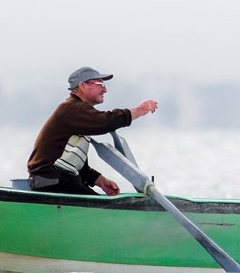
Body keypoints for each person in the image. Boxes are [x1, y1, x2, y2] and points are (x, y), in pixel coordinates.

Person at [26, 66, 159, 195]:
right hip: (52, 179)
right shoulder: (72, 109)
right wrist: (139, 111)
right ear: (83, 86)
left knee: (93, 197)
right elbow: (106, 122)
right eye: (100, 84)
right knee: (105, 210)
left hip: (57, 179)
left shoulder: (77, 113)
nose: (105, 89)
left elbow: (74, 164)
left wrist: (100, 181)